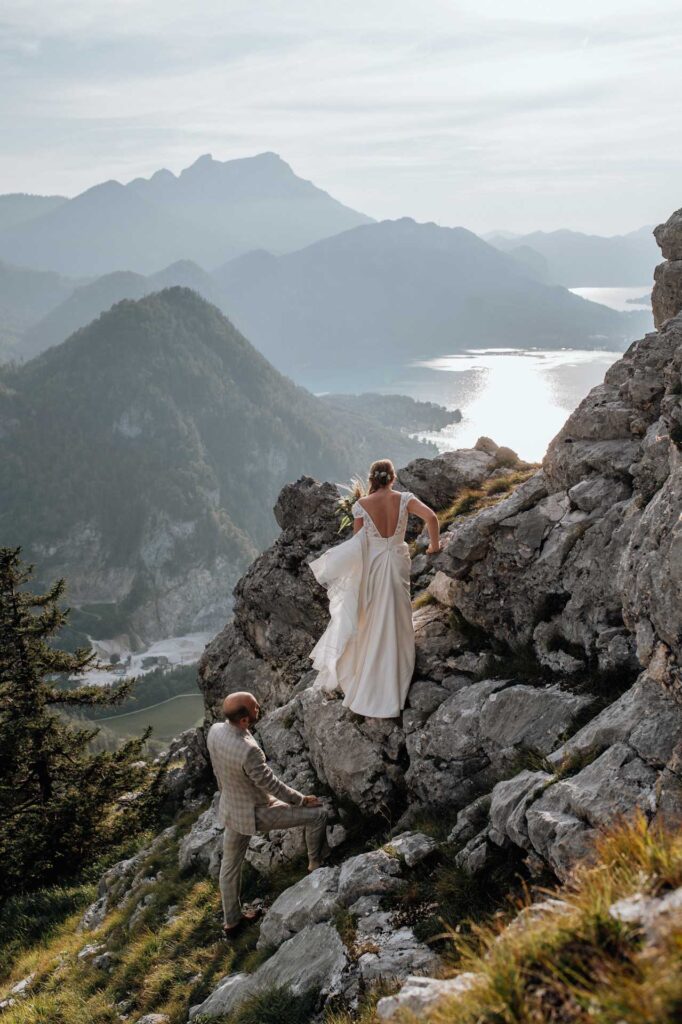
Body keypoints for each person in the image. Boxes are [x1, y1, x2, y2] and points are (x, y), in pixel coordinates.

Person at [308, 458, 441, 718]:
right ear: (392, 478)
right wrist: (434, 546)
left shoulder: (362, 506)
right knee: (399, 612)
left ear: (372, 479)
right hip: (398, 562)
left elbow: (358, 545)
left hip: (375, 565)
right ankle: (398, 673)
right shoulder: (404, 499)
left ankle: (372, 682)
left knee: (374, 619)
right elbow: (431, 517)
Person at [206, 690, 329, 935]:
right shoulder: (247, 750)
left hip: (232, 807)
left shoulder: (216, 731)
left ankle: (232, 923)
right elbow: (271, 784)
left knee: (229, 868)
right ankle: (315, 864)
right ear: (243, 720)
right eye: (254, 707)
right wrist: (301, 799)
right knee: (318, 815)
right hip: (256, 811)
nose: (258, 706)